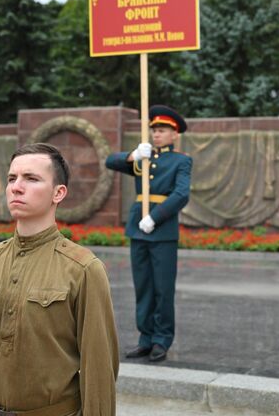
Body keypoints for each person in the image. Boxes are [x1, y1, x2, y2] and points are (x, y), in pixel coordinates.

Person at [0, 143, 119, 416]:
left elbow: (99, 369)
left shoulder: (83, 269)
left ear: (59, 192)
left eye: (31, 179)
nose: (16, 187)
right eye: (12, 178)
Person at [105, 105, 192, 363]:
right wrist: (133, 155)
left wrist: (155, 217)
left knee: (163, 289)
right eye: (154, 130)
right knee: (143, 287)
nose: (156, 135)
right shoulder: (143, 158)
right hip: (138, 230)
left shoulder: (181, 161)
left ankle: (161, 340)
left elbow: (181, 194)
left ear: (174, 135)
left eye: (162, 130)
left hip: (161, 229)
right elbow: (110, 161)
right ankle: (145, 338)